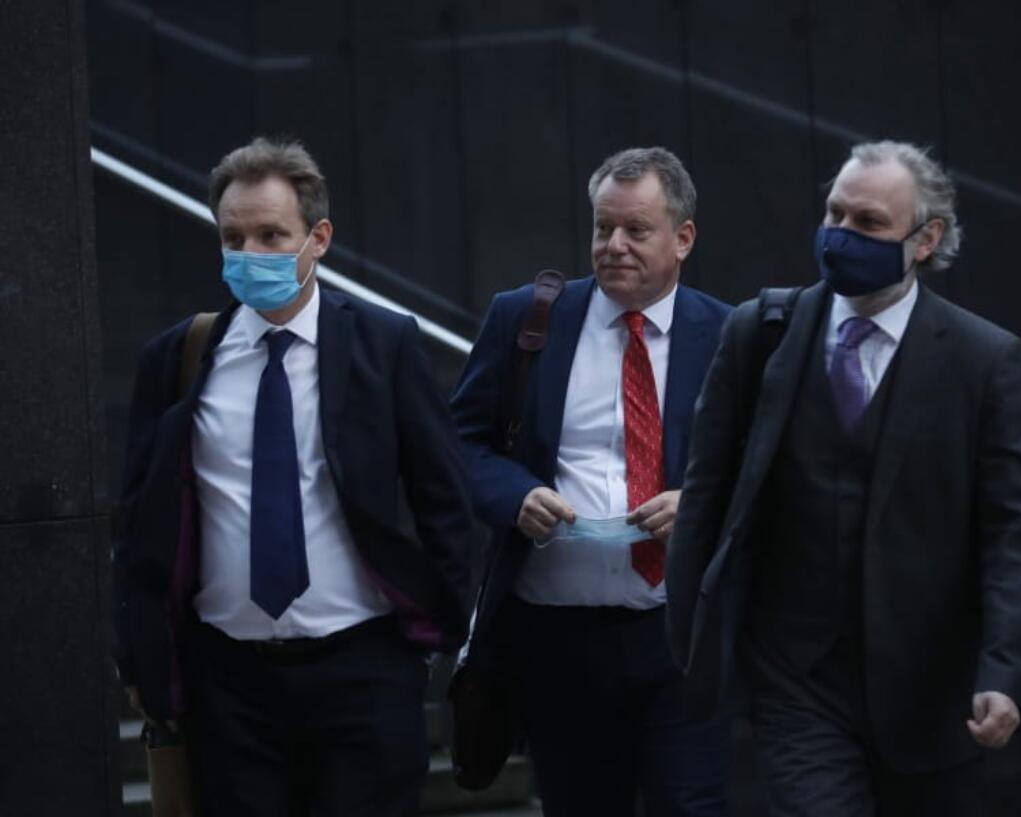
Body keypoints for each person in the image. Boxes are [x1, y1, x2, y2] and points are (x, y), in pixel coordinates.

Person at [667, 140, 1021, 816]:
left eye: (869, 223)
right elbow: (706, 493)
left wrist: (1004, 668)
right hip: (797, 679)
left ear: (925, 238)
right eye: (834, 213)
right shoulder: (760, 332)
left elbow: (1017, 531)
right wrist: (690, 641)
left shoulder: (983, 359)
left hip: (932, 688)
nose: (841, 235)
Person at [112, 137, 475, 816]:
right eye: (233, 237)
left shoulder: (383, 344)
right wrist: (140, 656)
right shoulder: (179, 359)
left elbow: (443, 499)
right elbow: (139, 518)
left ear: (319, 238)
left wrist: (434, 644)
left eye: (272, 234)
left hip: (362, 670)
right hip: (229, 682)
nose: (250, 254)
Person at [450, 146, 732, 817]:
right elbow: (460, 442)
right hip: (557, 639)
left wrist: (700, 504)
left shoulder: (727, 334)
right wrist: (514, 496)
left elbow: (762, 469)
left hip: (678, 637)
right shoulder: (527, 319)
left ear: (683, 238)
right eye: (603, 228)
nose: (614, 246)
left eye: (636, 230)